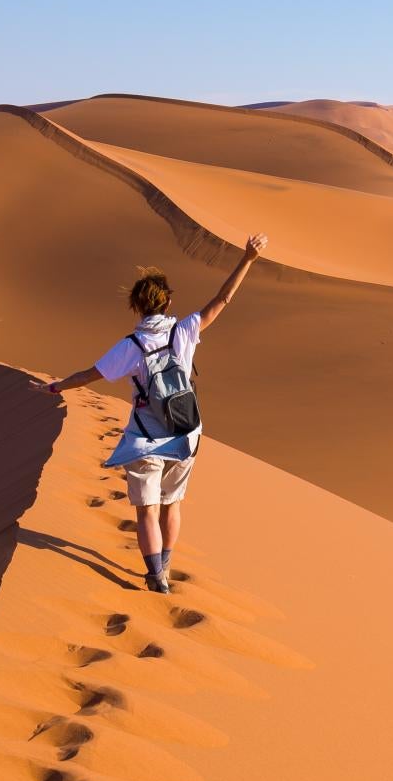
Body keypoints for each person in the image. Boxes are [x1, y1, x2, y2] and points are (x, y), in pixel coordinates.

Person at [42, 234, 269, 591]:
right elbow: (222, 298)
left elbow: (89, 376)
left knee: (146, 509)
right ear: (168, 302)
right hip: (186, 432)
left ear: (136, 306)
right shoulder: (185, 329)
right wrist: (248, 259)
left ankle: (155, 576)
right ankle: (165, 563)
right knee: (171, 504)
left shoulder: (130, 346)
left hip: (145, 438)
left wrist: (55, 387)